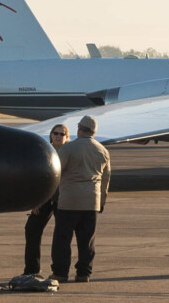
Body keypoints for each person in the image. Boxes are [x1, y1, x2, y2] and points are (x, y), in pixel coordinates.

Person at [49, 115, 112, 286]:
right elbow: (106, 179)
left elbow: (56, 171)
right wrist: (102, 202)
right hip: (92, 200)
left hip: (69, 200)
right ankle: (84, 273)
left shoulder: (69, 149)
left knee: (63, 238)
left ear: (79, 129)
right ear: (93, 132)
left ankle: (60, 273)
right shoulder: (102, 151)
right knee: (87, 240)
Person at [8, 122, 67, 289]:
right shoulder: (45, 152)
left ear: (67, 137)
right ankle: (31, 269)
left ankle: (61, 270)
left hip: (63, 198)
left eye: (62, 134)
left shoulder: (68, 153)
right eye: (55, 133)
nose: (58, 136)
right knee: (32, 229)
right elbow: (39, 176)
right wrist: (36, 200)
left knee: (62, 235)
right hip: (46, 198)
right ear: (51, 135)